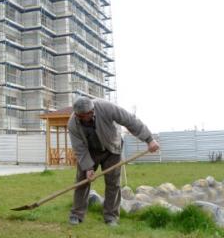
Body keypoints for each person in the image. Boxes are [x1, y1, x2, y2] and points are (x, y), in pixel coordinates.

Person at [68, 97, 160, 227]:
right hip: (90, 152)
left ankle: (111, 217)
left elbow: (130, 120)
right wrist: (88, 168)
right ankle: (76, 215)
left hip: (112, 148)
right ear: (78, 115)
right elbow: (79, 148)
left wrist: (149, 139)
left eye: (90, 113)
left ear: (93, 109)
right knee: (82, 182)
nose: (89, 116)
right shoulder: (73, 123)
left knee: (113, 184)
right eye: (84, 115)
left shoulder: (106, 107)